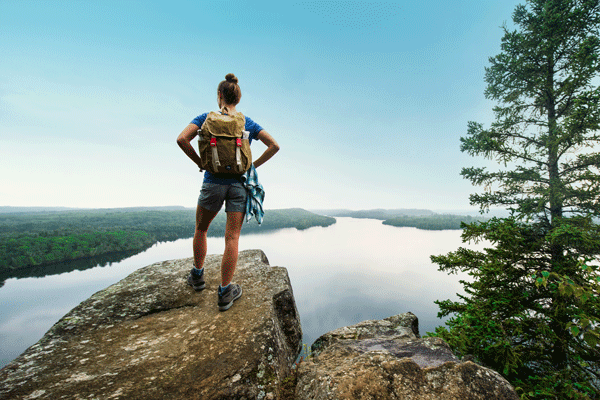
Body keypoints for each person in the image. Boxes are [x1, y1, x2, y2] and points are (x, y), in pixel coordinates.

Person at [176, 73, 279, 311]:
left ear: (219, 95)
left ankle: (198, 277)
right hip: (238, 185)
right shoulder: (247, 123)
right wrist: (253, 165)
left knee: (201, 229)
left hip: (212, 182)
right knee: (231, 238)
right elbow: (275, 145)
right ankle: (224, 292)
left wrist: (200, 162)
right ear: (238, 99)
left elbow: (182, 139)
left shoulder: (205, 118)